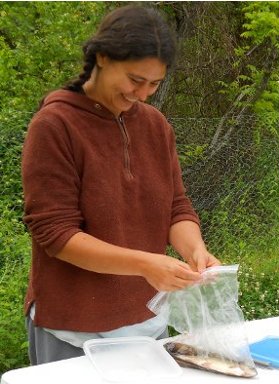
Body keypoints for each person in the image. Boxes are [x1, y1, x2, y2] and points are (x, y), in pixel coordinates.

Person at [21, 6, 220, 365]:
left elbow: (177, 206)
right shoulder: (54, 125)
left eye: (154, 84)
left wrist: (195, 250)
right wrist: (146, 265)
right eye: (134, 79)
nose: (142, 94)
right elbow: (55, 234)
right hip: (74, 329)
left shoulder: (156, 126)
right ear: (101, 57)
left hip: (149, 323)